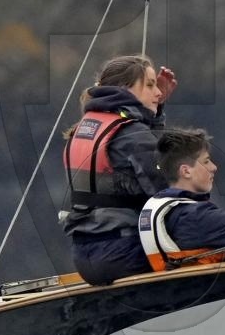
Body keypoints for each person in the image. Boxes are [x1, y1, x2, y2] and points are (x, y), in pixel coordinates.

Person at [82, 127, 225, 284]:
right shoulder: (194, 216)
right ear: (186, 171)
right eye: (206, 161)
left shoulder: (161, 206)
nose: (214, 167)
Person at [62, 53, 176, 284]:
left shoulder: (84, 128)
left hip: (84, 256)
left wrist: (154, 113)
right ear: (125, 89)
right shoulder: (131, 133)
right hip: (122, 252)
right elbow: (167, 194)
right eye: (150, 85)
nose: (158, 92)